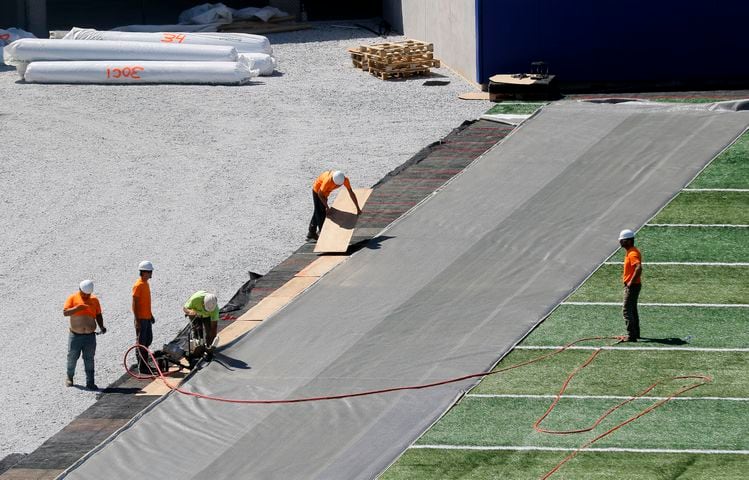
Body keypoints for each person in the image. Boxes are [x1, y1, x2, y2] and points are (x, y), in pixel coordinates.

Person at [63, 279, 106, 389]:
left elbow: (98, 315)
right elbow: (65, 312)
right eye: (84, 294)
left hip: (90, 336)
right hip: (75, 335)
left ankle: (90, 382)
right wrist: (77, 308)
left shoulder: (94, 300)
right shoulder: (73, 298)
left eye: (88, 295)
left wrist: (102, 326)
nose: (86, 296)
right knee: (72, 357)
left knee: (89, 358)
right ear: (79, 289)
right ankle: (69, 377)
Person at [307, 170, 362, 241]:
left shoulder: (345, 180)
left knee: (318, 210)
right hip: (317, 190)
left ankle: (311, 232)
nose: (338, 186)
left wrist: (357, 208)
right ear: (333, 181)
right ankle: (322, 234)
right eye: (337, 185)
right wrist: (327, 208)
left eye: (339, 185)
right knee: (321, 212)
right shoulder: (328, 181)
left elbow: (351, 193)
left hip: (325, 192)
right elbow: (320, 194)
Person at [619, 229, 642, 342]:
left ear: (628, 241)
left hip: (632, 286)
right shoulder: (631, 251)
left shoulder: (632, 253)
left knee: (626, 310)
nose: (620, 242)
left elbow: (638, 268)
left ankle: (631, 335)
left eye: (622, 240)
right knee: (632, 309)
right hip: (634, 285)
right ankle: (636, 333)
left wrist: (630, 282)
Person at [132, 260, 155, 374]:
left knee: (147, 341)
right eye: (150, 272)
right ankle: (142, 367)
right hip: (141, 319)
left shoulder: (146, 284)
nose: (151, 274)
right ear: (144, 272)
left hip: (146, 318)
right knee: (141, 343)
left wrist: (150, 315)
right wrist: (137, 320)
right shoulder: (138, 285)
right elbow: (135, 303)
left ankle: (145, 364)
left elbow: (145, 302)